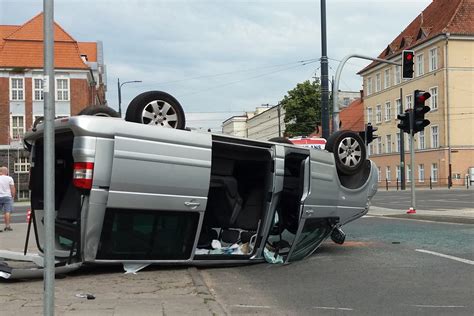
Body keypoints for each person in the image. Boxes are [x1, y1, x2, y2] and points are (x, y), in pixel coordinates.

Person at [0, 166, 16, 232]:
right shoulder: (10, 178)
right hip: (7, 196)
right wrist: (13, 196)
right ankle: (7, 226)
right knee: (7, 212)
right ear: (6, 172)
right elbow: (12, 188)